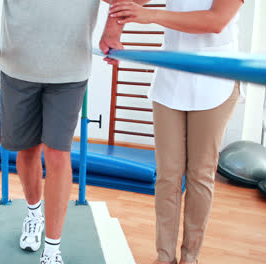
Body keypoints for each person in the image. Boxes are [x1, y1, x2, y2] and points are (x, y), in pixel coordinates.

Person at [0, 0, 126, 263]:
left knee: (57, 154)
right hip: (17, 67)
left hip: (70, 72)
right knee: (27, 150)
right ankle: (34, 213)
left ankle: (52, 250)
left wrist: (113, 29)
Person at [107, 0, 244, 263]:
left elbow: (215, 21)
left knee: (200, 174)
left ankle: (190, 256)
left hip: (215, 77)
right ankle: (165, 256)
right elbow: (128, 2)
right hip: (172, 77)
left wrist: (152, 15)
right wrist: (113, 26)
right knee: (167, 175)